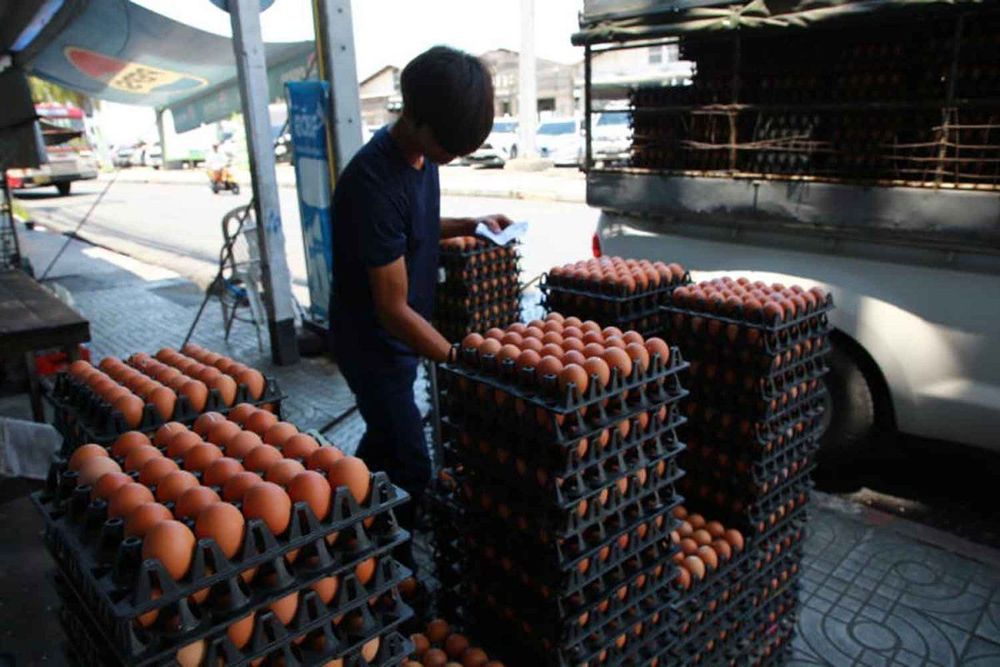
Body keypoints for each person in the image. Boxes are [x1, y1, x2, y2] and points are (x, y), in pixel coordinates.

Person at [328, 46, 511, 563]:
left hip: (396, 338)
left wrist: (471, 224)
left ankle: (343, 516)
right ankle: (396, 570)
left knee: (384, 441)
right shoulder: (372, 184)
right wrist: (458, 358)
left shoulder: (420, 155)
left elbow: (416, 224)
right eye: (446, 145)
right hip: (372, 345)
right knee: (411, 464)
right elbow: (392, 309)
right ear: (414, 116)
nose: (449, 156)